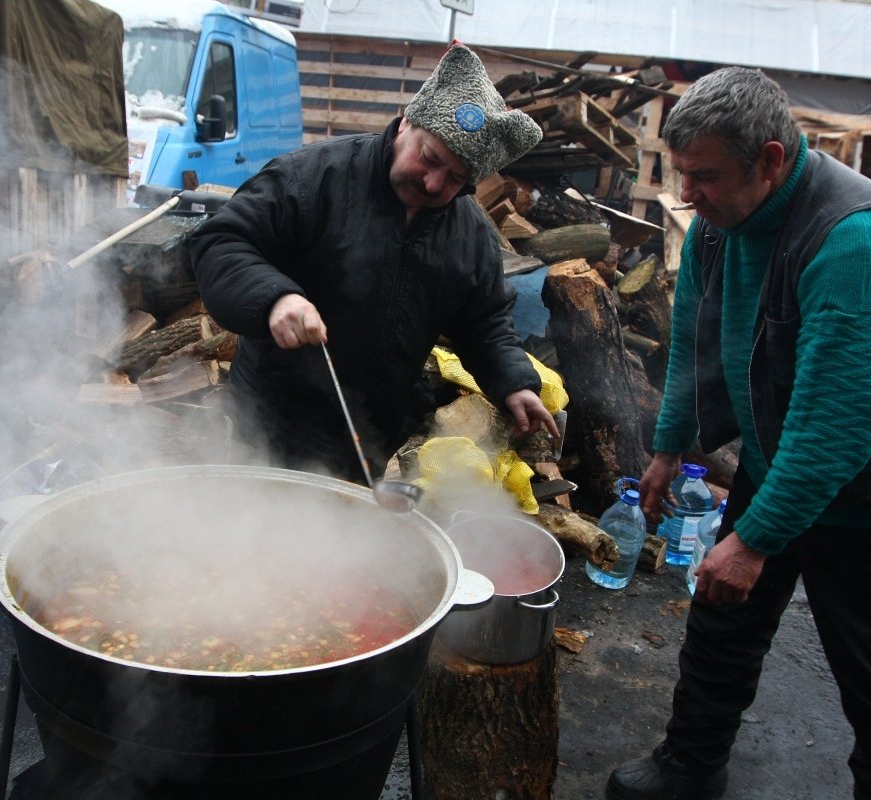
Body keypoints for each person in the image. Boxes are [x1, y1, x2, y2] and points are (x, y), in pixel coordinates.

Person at [605, 67, 871, 800]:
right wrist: (667, 446)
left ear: (772, 160)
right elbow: (691, 341)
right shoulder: (719, 227)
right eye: (681, 173)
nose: (686, 193)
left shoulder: (851, 243)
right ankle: (690, 766)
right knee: (721, 625)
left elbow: (834, 427)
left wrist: (754, 541)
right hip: (774, 460)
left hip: (857, 492)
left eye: (706, 176)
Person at [190, 42, 558, 482]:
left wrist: (513, 382)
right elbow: (221, 242)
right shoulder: (313, 178)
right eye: (429, 157)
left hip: (368, 434)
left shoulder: (470, 235)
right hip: (270, 420)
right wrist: (274, 298)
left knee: (340, 546)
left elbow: (484, 323)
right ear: (406, 122)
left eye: (456, 178)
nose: (433, 181)